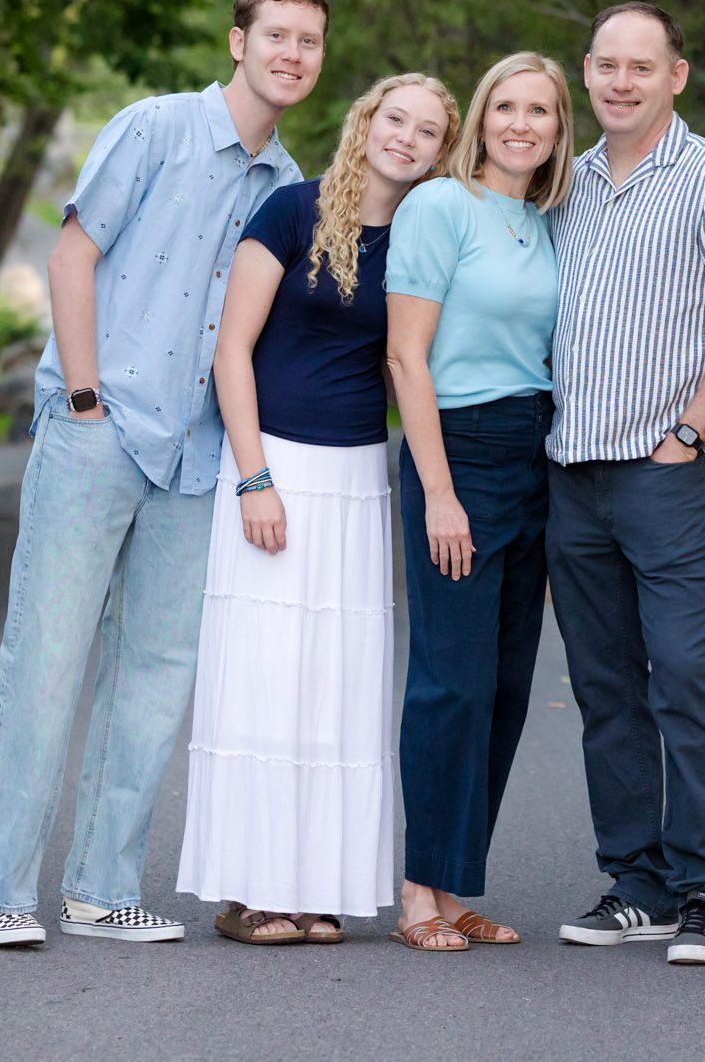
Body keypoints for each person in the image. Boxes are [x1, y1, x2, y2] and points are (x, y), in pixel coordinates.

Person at [0, 0, 326, 948]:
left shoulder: (290, 188)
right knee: (45, 661)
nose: (292, 55)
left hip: (195, 458)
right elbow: (72, 255)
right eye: (277, 36)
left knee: (154, 675)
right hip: (101, 430)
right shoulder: (156, 127)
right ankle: (0, 889)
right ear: (236, 41)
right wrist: (82, 398)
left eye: (309, 42)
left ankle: (100, 887)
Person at [177, 72, 458, 947]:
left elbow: (406, 366)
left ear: (443, 153)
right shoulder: (290, 212)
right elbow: (230, 351)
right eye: (394, 119)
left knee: (336, 683)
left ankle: (317, 888)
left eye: (427, 131)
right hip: (275, 467)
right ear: (366, 121)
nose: (405, 138)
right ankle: (249, 891)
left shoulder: (420, 238)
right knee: (264, 675)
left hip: (357, 474)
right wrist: (255, 477)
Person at [546, 3, 705, 967]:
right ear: (588, 73)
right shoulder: (567, 183)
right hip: (570, 471)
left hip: (665, 471)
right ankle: (633, 880)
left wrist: (688, 435)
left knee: (684, 676)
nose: (622, 82)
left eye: (643, 66)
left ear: (677, 76)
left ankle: (704, 891)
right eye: (607, 65)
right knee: (605, 686)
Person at [383, 52, 575, 952]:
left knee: (502, 687)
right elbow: (405, 357)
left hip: (531, 452)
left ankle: (457, 886)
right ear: (481, 118)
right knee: (449, 684)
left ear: (556, 126)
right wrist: (439, 494)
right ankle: (417, 894)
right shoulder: (440, 206)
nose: (521, 123)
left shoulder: (542, 221)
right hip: (456, 448)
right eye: (506, 105)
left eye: (539, 109)